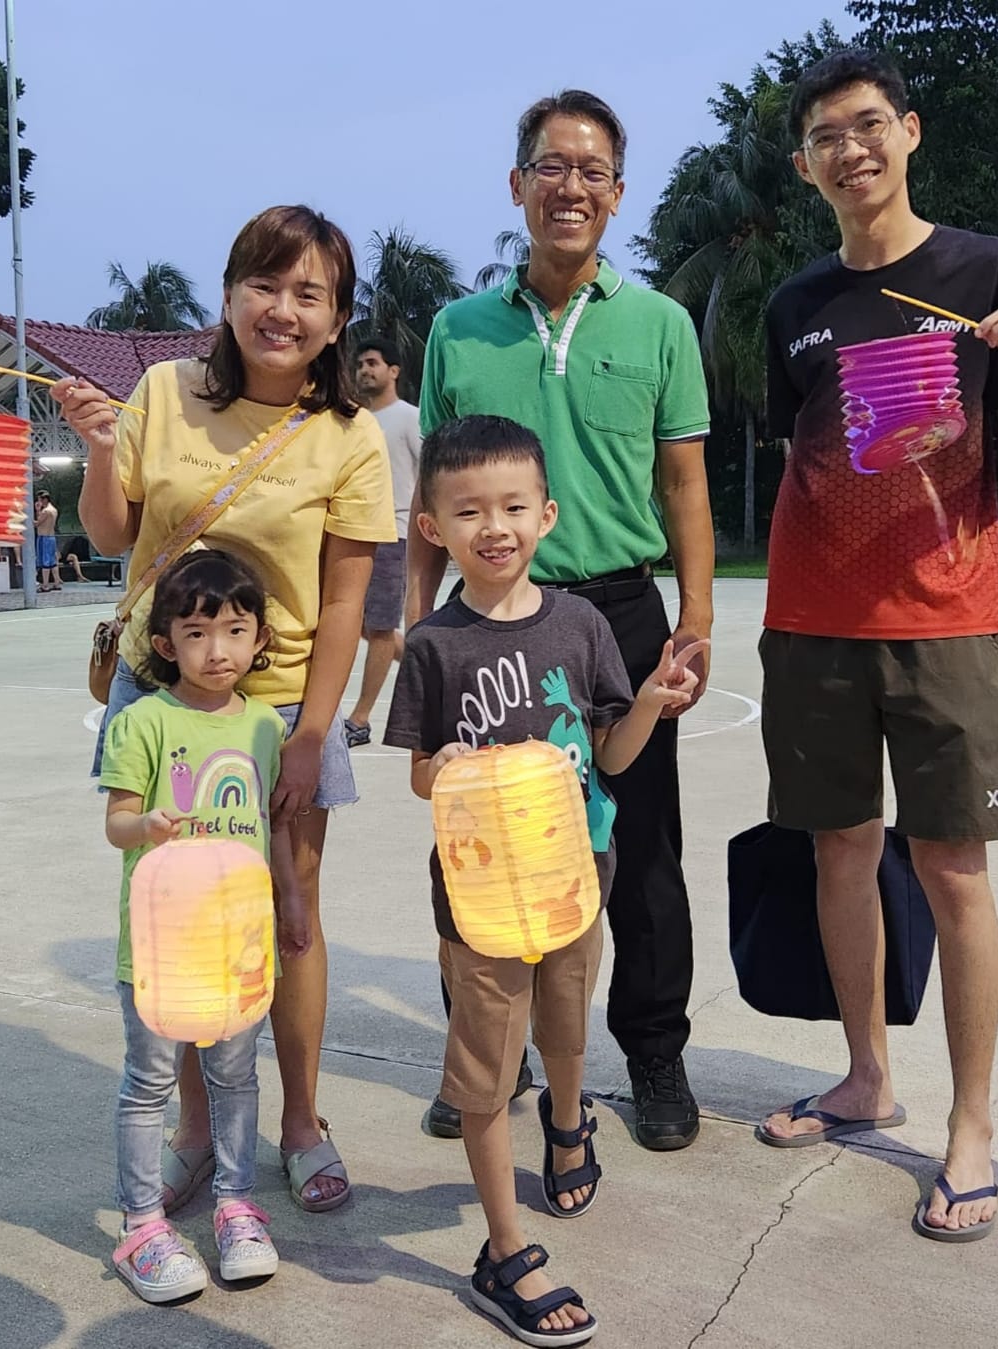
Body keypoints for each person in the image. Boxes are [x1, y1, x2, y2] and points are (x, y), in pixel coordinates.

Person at [757, 50, 998, 1242]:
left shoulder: (982, 269)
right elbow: (799, 453)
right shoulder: (794, 306)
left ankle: (969, 1123)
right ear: (804, 166)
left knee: (951, 867)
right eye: (825, 137)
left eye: (867, 124)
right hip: (810, 620)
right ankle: (863, 1074)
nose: (851, 150)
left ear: (909, 132)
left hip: (943, 618)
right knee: (839, 849)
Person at [56, 204, 396, 1216]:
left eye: (309, 294)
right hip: (162, 693)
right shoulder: (164, 392)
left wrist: (312, 733)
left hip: (279, 706)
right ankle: (197, 1130)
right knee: (179, 908)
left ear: (337, 319)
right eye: (264, 284)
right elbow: (112, 535)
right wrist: (99, 450)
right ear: (229, 295)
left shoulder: (351, 436)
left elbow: (344, 603)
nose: (282, 309)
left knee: (290, 914)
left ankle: (300, 1122)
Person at [409, 90, 715, 1151]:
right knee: (478, 838)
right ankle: (487, 1056)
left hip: (618, 612)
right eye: (551, 166)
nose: (570, 186)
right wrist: (418, 620)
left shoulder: (658, 323)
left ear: (617, 194)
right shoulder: (457, 329)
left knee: (639, 844)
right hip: (484, 616)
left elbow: (683, 485)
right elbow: (432, 493)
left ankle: (654, 1052)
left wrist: (695, 615)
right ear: (517, 184)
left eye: (592, 171)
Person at [385, 416, 703, 1346]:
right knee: (486, 1071)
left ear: (546, 514)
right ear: (433, 526)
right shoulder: (432, 643)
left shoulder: (580, 623)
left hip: (574, 878)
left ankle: (569, 1123)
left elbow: (611, 753)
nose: (495, 526)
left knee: (566, 1027)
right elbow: (418, 773)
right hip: (481, 901)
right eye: (468, 510)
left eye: (513, 506)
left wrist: (648, 703)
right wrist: (442, 767)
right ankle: (504, 1247)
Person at [101, 549, 311, 1303]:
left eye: (234, 630)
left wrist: (290, 897)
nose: (216, 649)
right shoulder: (143, 721)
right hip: (161, 945)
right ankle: (141, 1225)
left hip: (238, 943)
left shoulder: (264, 726)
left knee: (235, 1076)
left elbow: (272, 825)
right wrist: (146, 825)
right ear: (166, 643)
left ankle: (237, 1206)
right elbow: (116, 823)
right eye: (196, 632)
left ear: (260, 639)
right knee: (149, 1080)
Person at [344, 336, 421, 747]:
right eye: (360, 364)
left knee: (380, 628)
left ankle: (359, 719)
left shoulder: (410, 418)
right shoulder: (353, 420)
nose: (364, 370)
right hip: (355, 533)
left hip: (395, 533)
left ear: (393, 371)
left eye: (372, 363)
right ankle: (426, 667)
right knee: (360, 625)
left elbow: (430, 475)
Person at [34, 491, 62, 591]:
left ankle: (45, 585)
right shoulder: (54, 510)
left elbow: (37, 523)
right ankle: (57, 582)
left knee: (45, 561)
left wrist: (37, 511)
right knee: (52, 561)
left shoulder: (46, 511)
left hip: (44, 537)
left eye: (39, 500)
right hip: (51, 537)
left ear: (44, 499)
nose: (38, 502)